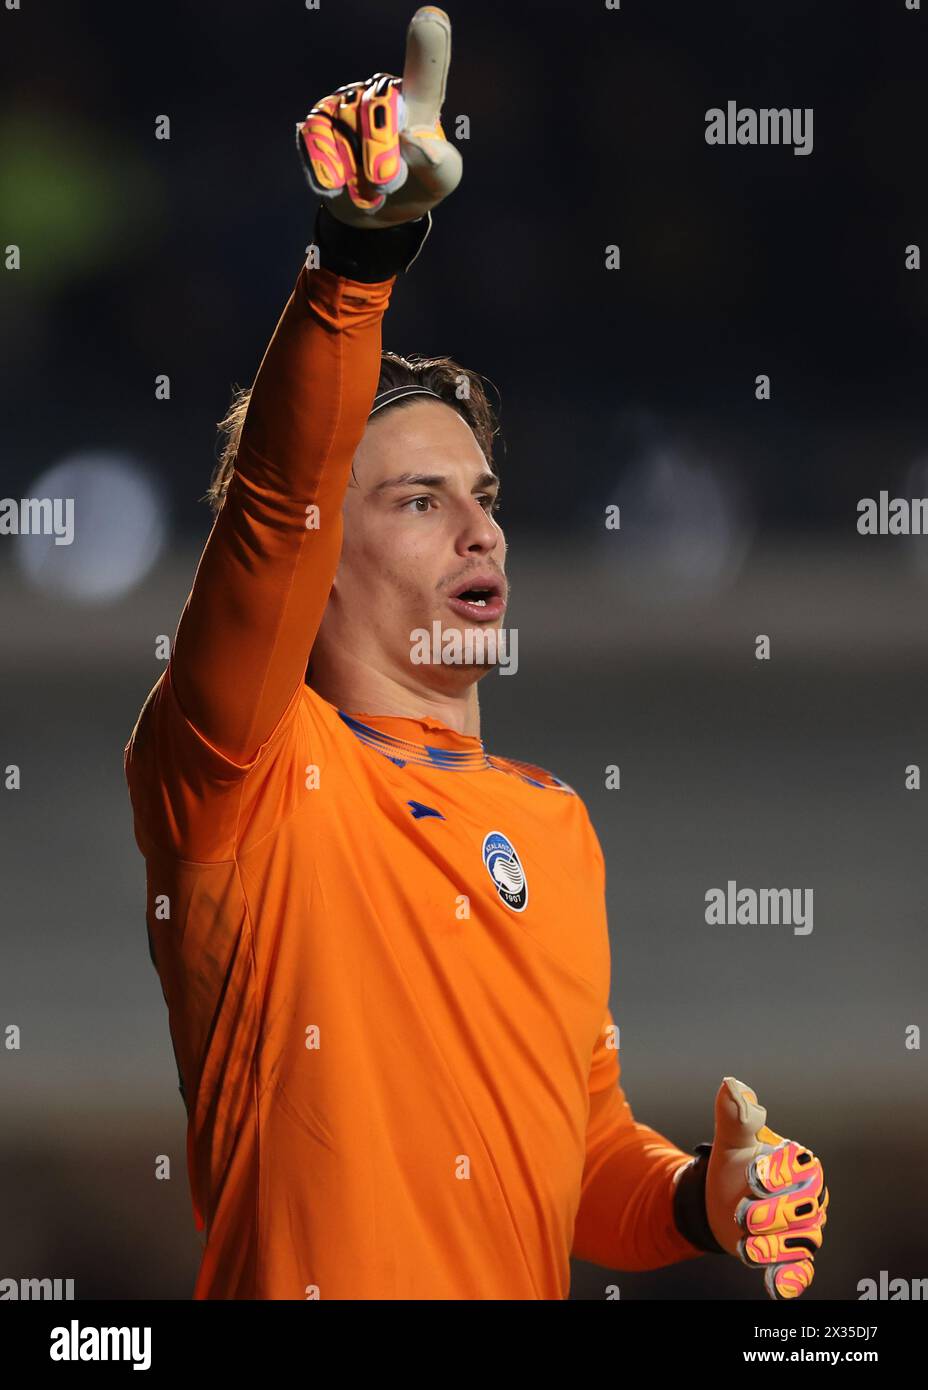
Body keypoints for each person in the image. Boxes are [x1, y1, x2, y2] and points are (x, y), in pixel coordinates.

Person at [124, 6, 828, 1300]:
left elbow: (582, 1161)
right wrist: (358, 258)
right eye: (417, 498)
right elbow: (278, 499)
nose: (480, 523)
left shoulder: (556, 825)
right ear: (322, 560)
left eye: (486, 491)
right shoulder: (242, 772)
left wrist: (701, 1195)